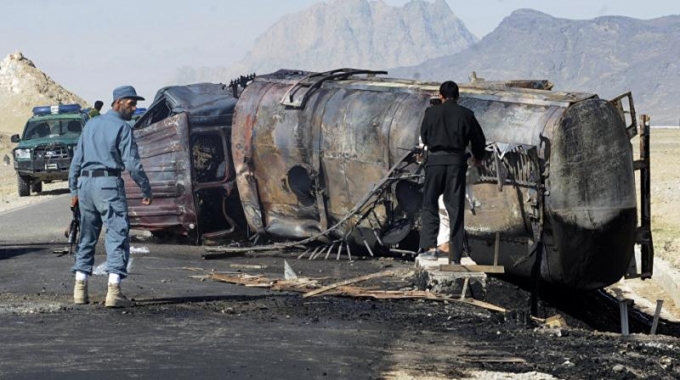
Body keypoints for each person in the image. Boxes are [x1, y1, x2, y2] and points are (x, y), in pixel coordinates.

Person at [68, 85, 153, 308]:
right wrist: (146, 189)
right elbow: (132, 163)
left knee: (87, 235)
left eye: (135, 104)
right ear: (117, 103)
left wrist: (74, 191)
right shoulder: (123, 128)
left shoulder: (90, 125)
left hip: (86, 185)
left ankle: (80, 289)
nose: (134, 108)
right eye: (130, 103)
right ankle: (114, 291)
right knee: (117, 234)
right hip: (108, 184)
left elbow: (76, 160)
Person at [418, 81, 486, 263]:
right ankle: (455, 256)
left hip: (435, 162)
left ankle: (431, 248)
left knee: (430, 203)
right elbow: (479, 139)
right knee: (455, 207)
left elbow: (424, 137)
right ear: (458, 96)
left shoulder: (430, 113)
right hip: (456, 163)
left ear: (440, 96)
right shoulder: (466, 114)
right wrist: (478, 157)